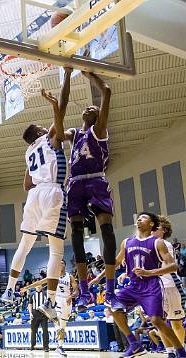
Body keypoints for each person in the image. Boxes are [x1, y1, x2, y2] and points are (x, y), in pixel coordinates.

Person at [1, 68, 73, 322]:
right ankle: (52, 301)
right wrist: (65, 77)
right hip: (52, 191)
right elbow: (62, 107)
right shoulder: (50, 139)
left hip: (33, 196)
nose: (47, 127)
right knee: (56, 251)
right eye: (44, 127)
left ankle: (9, 289)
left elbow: (26, 184)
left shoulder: (28, 154)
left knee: (26, 243)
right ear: (41, 133)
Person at [62, 70, 120, 310]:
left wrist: (89, 74)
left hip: (96, 180)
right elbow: (56, 132)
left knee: (106, 230)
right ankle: (84, 292)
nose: (89, 108)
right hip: (75, 182)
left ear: (97, 116)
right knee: (76, 234)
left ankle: (109, 290)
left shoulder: (99, 130)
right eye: (87, 108)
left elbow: (106, 92)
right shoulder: (75, 134)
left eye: (93, 109)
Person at [107, 212, 186, 358]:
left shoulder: (158, 242)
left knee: (157, 321)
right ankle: (134, 344)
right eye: (138, 217)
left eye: (143, 217)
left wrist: (149, 272)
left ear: (151, 224)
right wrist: (96, 277)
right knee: (113, 307)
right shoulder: (127, 242)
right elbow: (115, 263)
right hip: (134, 285)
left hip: (152, 285)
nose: (139, 219)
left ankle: (181, 353)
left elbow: (174, 266)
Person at [21, 259, 79, 357]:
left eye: (62, 263)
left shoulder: (70, 277)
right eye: (58, 263)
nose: (60, 265)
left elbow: (76, 291)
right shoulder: (53, 276)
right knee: (59, 323)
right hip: (56, 301)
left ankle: (60, 347)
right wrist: (27, 287)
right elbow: (40, 282)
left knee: (63, 326)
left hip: (67, 302)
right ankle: (57, 328)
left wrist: (71, 296)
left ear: (64, 265)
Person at [153, 215, 186, 358]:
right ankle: (170, 352)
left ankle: (180, 351)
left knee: (176, 322)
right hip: (157, 288)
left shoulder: (165, 244)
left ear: (164, 230)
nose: (153, 230)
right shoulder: (150, 245)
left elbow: (172, 268)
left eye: (156, 227)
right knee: (159, 322)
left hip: (171, 286)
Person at [28, 284, 49, 352]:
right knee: (33, 330)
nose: (38, 287)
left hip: (43, 314)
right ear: (35, 286)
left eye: (40, 285)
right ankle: (32, 345)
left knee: (45, 330)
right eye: (37, 286)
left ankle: (46, 347)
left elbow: (49, 303)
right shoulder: (32, 294)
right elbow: (30, 304)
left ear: (41, 286)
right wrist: (30, 313)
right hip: (35, 313)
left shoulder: (45, 293)